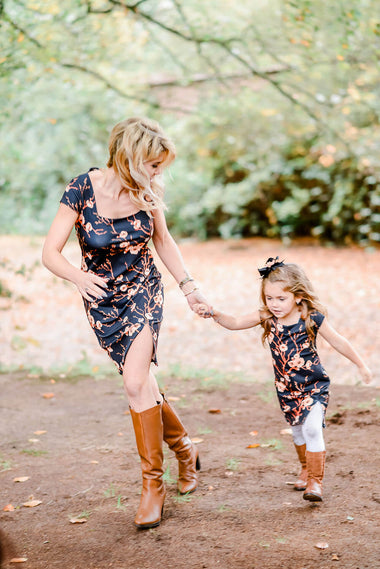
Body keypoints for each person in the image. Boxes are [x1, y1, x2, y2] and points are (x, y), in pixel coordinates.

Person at [42, 117, 208, 529]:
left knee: (135, 383)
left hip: (143, 292)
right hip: (102, 301)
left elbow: (163, 242)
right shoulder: (82, 188)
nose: (158, 173)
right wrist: (78, 277)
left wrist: (189, 288)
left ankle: (153, 486)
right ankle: (185, 449)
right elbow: (50, 252)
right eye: (153, 164)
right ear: (131, 157)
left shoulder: (149, 191)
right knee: (144, 384)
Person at [195, 257, 372, 502]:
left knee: (311, 428)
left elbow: (338, 341)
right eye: (269, 298)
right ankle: (305, 468)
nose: (275, 304)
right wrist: (213, 312)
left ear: (298, 296)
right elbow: (235, 323)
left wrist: (361, 365)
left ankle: (315, 483)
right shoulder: (267, 317)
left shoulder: (310, 317)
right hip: (286, 389)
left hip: (313, 386)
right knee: (298, 432)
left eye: (281, 299)